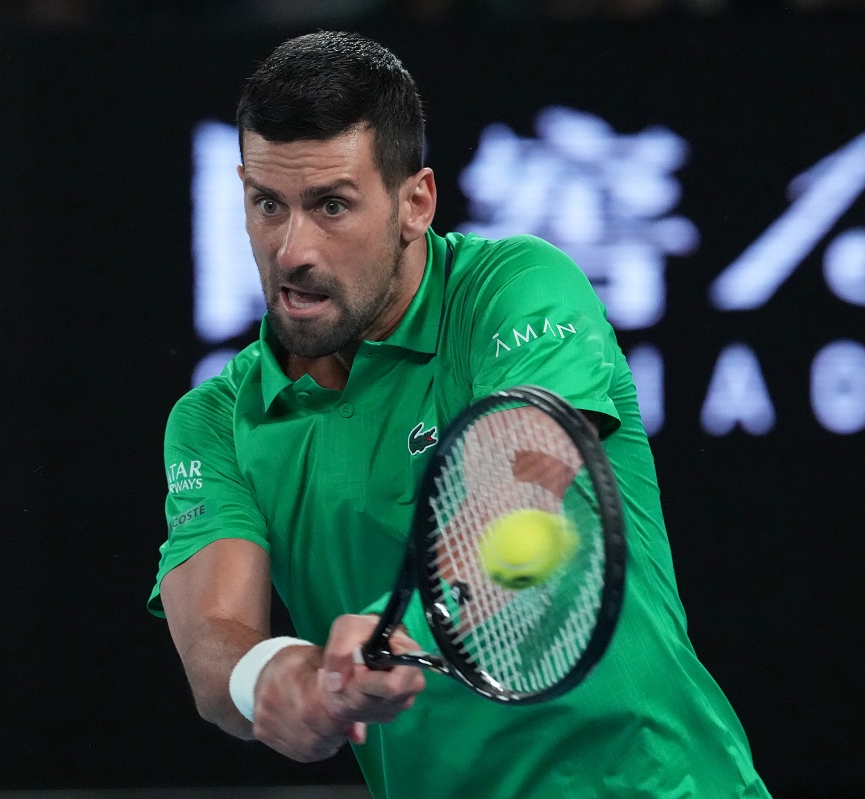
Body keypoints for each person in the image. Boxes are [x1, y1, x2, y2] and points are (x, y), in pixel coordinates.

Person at [148, 30, 771, 798]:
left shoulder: (516, 288)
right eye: (267, 204)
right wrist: (274, 675)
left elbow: (519, 487)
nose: (291, 249)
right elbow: (215, 643)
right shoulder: (213, 419)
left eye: (332, 206)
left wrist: (385, 629)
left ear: (415, 203)